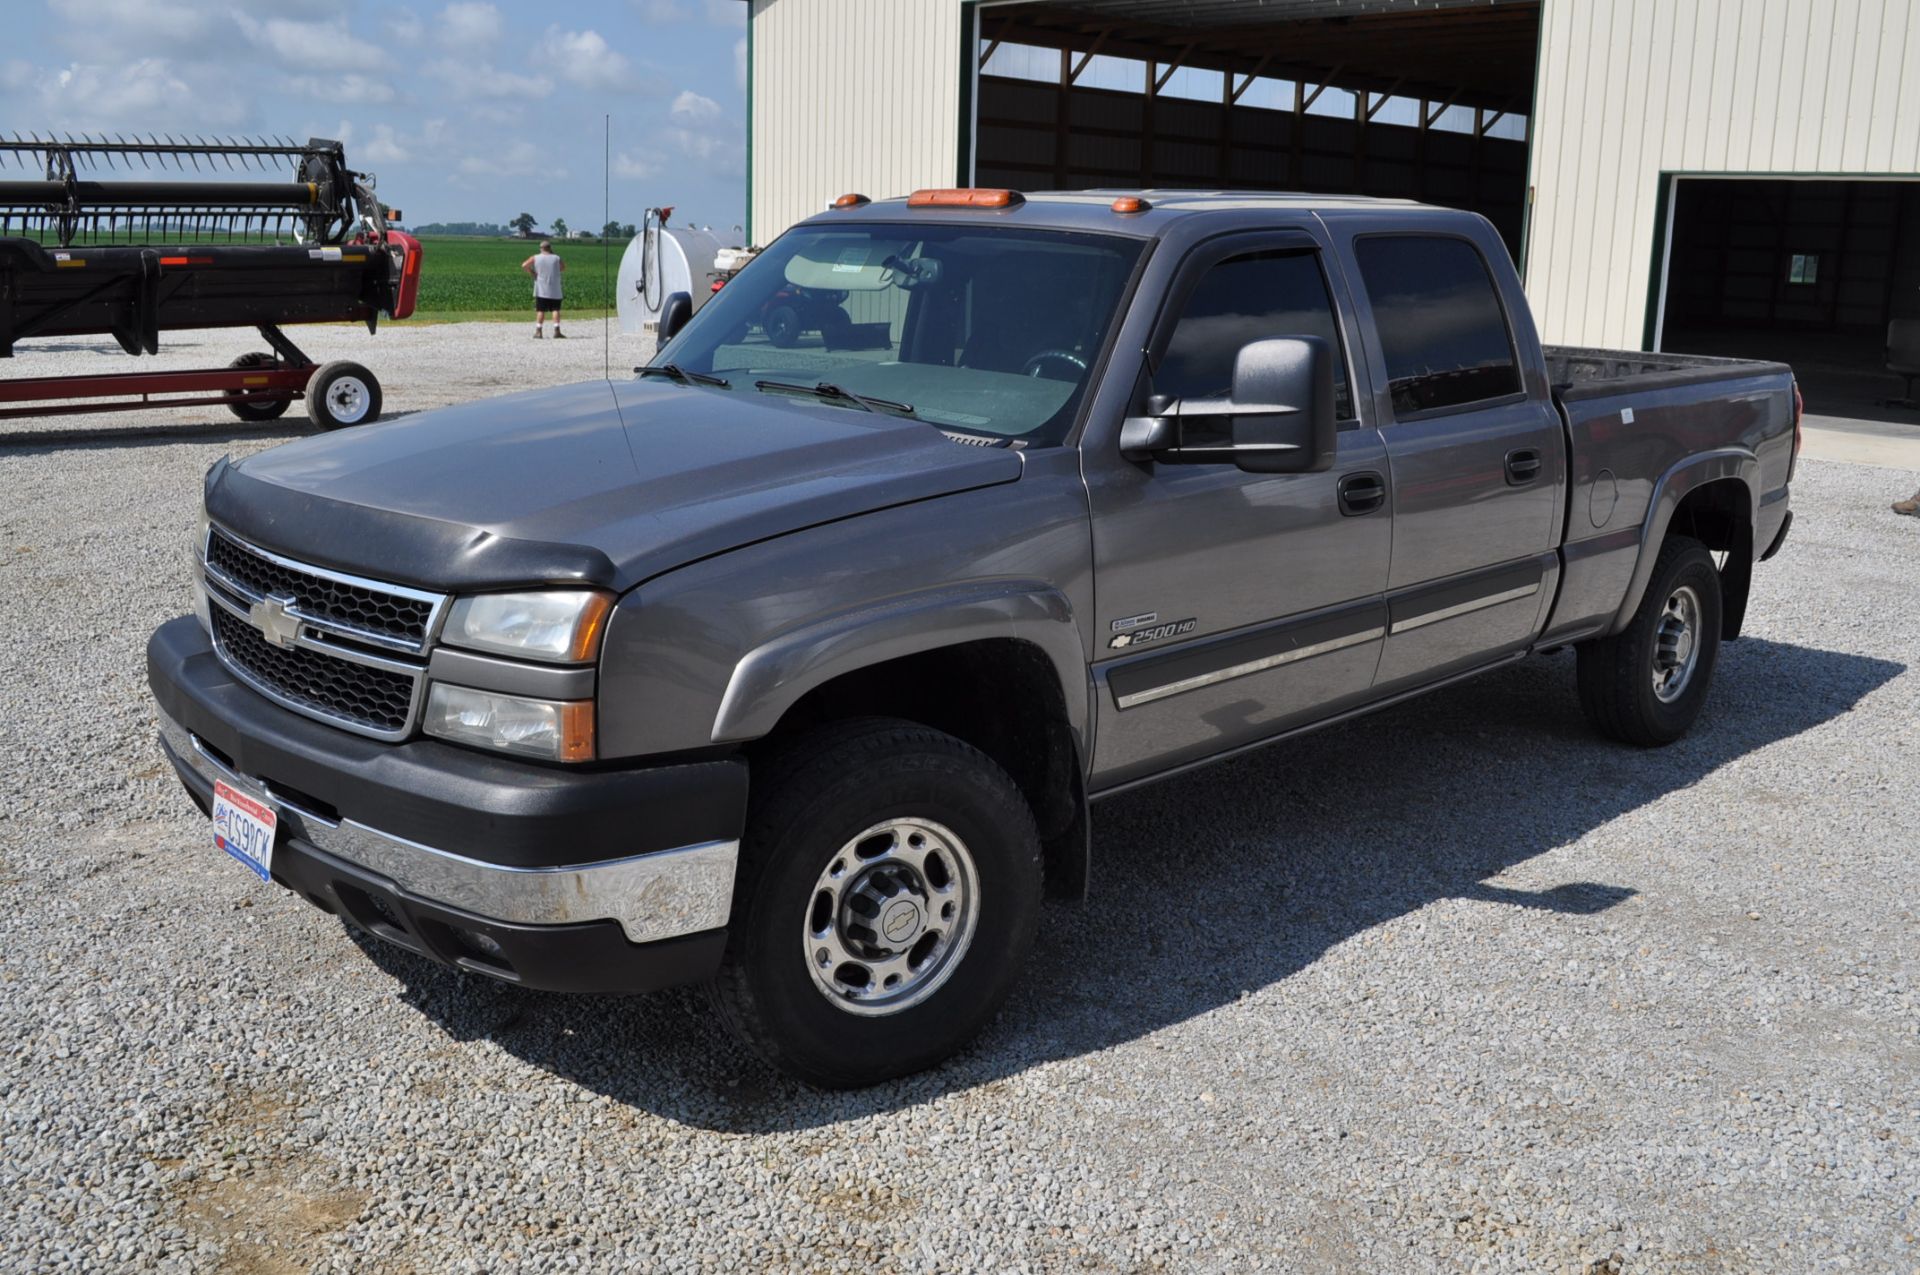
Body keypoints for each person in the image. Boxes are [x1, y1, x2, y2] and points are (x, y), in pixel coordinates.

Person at [521, 240, 565, 338]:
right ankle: (557, 331)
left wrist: (532, 272)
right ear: (550, 248)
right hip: (555, 289)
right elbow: (562, 268)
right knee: (555, 309)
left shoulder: (536, 257)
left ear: (541, 248)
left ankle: (538, 331)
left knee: (540, 310)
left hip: (541, 289)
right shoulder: (556, 258)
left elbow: (524, 265)